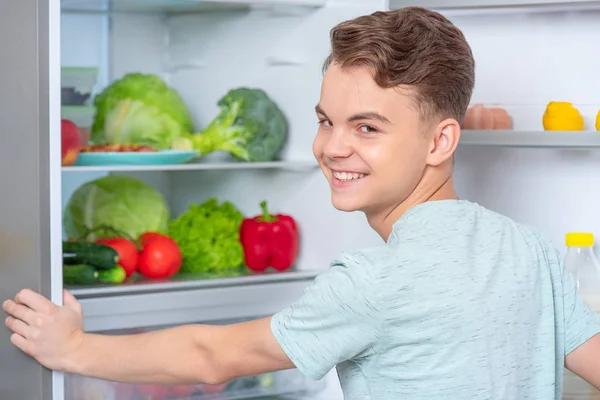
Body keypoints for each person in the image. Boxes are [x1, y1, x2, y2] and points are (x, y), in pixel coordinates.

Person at [4, 6, 600, 399]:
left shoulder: (372, 281)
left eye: (366, 128)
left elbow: (210, 356)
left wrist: (75, 347)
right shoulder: (530, 248)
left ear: (441, 140)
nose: (331, 147)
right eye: (325, 120)